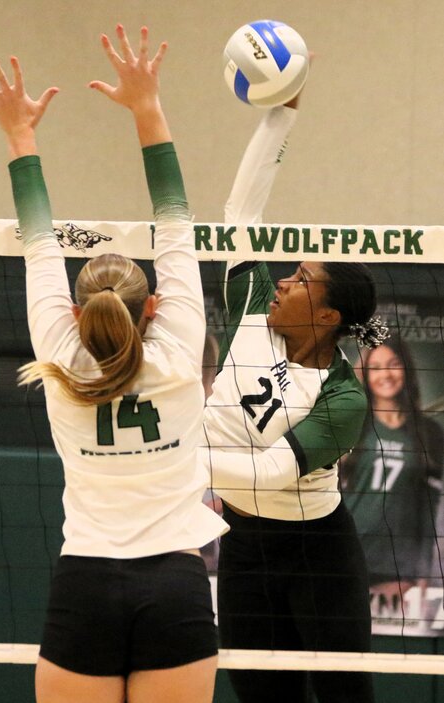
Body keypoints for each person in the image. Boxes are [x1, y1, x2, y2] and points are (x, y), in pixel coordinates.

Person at [0, 24, 227, 703]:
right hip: (173, 587)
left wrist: (19, 135)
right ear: (154, 308)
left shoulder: (59, 357)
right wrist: (147, 107)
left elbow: (36, 241)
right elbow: (175, 218)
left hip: (83, 583)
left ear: (77, 314)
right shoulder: (176, 351)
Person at [201, 94, 387, 703]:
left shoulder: (343, 398)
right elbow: (240, 209)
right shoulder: (252, 310)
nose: (284, 278)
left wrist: (177, 458)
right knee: (260, 698)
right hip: (242, 545)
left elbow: (273, 474)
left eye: (302, 279)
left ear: (329, 315)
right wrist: (284, 113)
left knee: (344, 697)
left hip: (318, 553)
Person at [343, 335, 443, 612]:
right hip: (346, 559)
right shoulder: (352, 425)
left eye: (393, 364)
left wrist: (416, 573)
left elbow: (431, 510)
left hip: (398, 570)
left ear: (406, 368)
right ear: (365, 374)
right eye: (375, 368)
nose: (385, 374)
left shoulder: (428, 433)